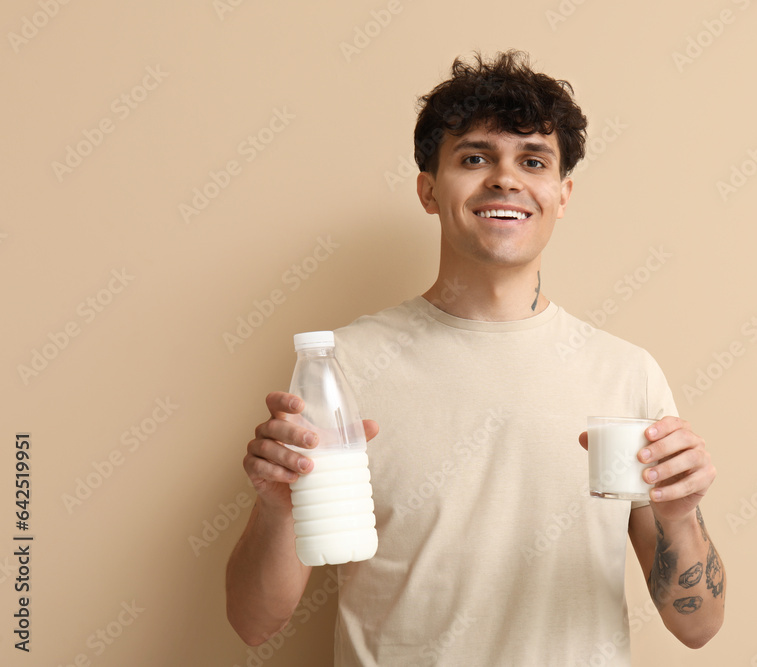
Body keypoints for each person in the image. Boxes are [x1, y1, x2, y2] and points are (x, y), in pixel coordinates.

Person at [226, 49, 725, 665]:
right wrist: (276, 506)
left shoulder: (626, 374)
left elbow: (698, 627)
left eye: (533, 161)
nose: (505, 179)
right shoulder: (343, 368)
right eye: (475, 157)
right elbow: (254, 622)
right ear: (428, 190)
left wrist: (679, 518)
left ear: (562, 195)